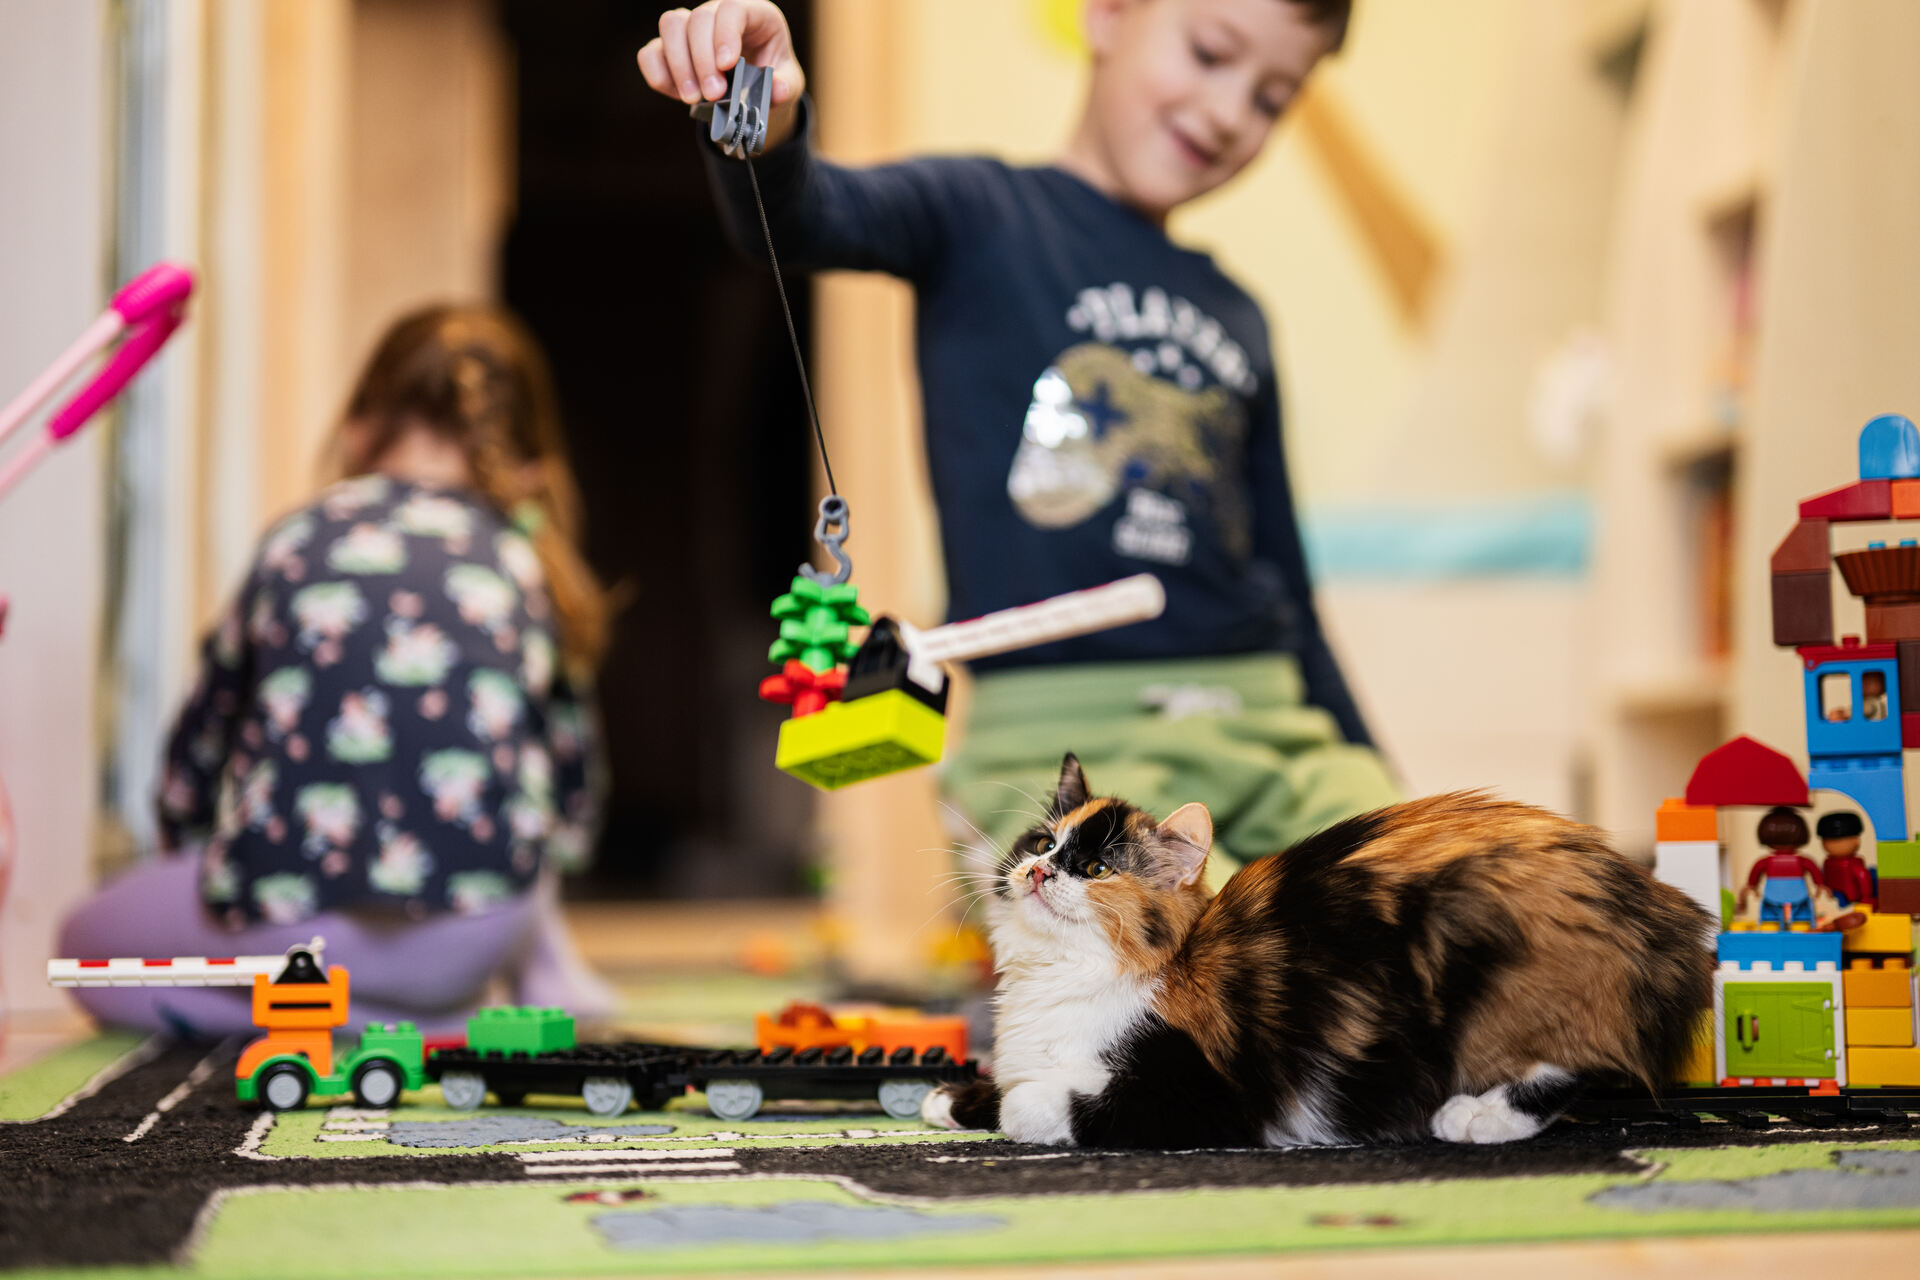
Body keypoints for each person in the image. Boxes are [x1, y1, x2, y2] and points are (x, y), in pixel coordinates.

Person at [639, 0, 1395, 884]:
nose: (1230, 112)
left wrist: (1393, 796)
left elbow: (1290, 590)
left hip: (1264, 715)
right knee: (1191, 938)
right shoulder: (979, 213)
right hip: (1062, 739)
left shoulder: (1241, 313)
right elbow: (804, 216)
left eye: (1272, 98)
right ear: (1108, 14)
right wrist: (764, 122)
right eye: (1208, 52)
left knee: (1429, 892)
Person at [58, 304, 616, 1035]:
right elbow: (573, 800)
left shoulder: (298, 539)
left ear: (357, 425)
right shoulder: (518, 561)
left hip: (297, 926)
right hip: (475, 938)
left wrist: (197, 846)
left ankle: (349, 1018)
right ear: (532, 468)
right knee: (511, 797)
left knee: (82, 954)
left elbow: (193, 762)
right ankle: (467, 1002)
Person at [1736, 807, 1827, 929]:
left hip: (1779, 894)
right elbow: (1813, 869)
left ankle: (1779, 924)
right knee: (1779, 921)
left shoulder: (1768, 861)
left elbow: (1756, 871)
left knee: (1787, 920)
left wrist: (1752, 886)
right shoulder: (1800, 861)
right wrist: (1819, 884)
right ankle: (1777, 924)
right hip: (1785, 894)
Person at [1818, 810, 1874, 909]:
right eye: (1831, 840)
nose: (1835, 845)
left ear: (1856, 840)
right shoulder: (1828, 863)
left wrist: (1866, 897)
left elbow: (1863, 877)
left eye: (1839, 841)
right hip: (1834, 898)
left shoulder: (1853, 864)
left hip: (1852, 899)